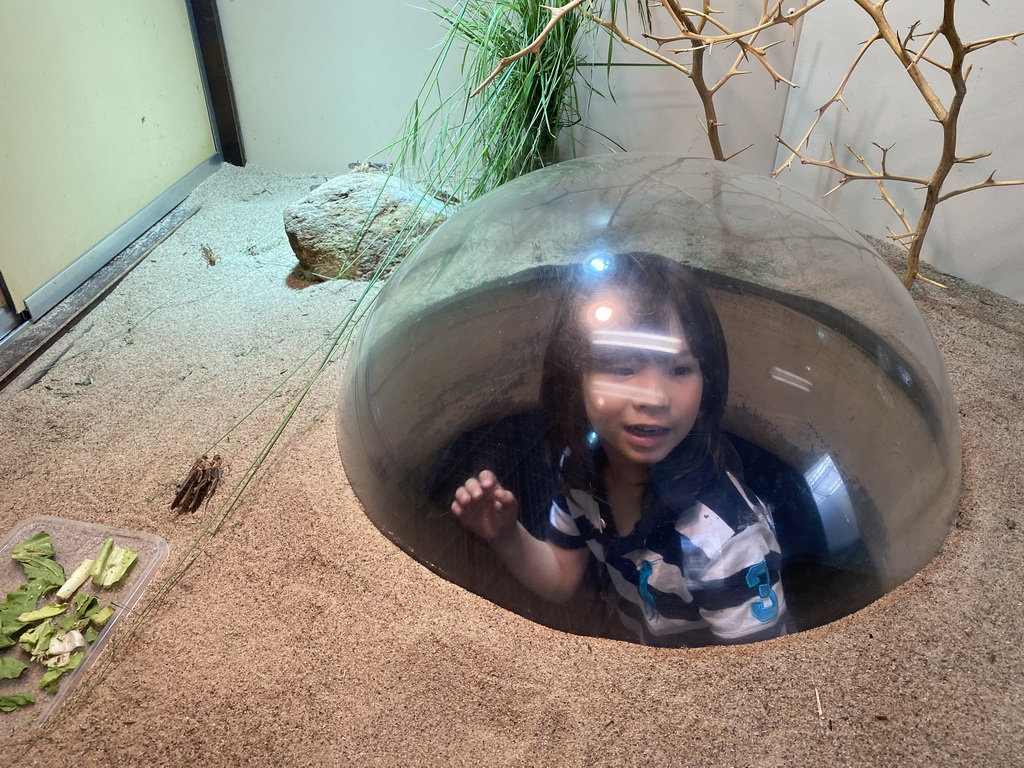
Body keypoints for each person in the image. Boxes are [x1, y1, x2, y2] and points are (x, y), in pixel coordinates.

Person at [451, 251, 787, 646]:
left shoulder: (723, 541)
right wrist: (507, 536)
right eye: (623, 368)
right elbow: (561, 577)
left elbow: (755, 679)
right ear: (575, 380)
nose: (654, 396)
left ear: (707, 379)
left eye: (679, 369)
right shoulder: (580, 470)